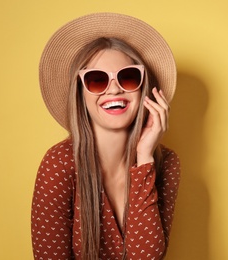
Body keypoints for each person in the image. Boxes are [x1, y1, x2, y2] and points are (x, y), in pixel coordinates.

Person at [31, 12, 180, 260]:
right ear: (80, 93)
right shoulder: (59, 164)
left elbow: (147, 258)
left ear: (145, 89)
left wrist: (144, 158)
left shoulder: (166, 164)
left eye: (128, 77)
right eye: (97, 80)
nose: (114, 88)